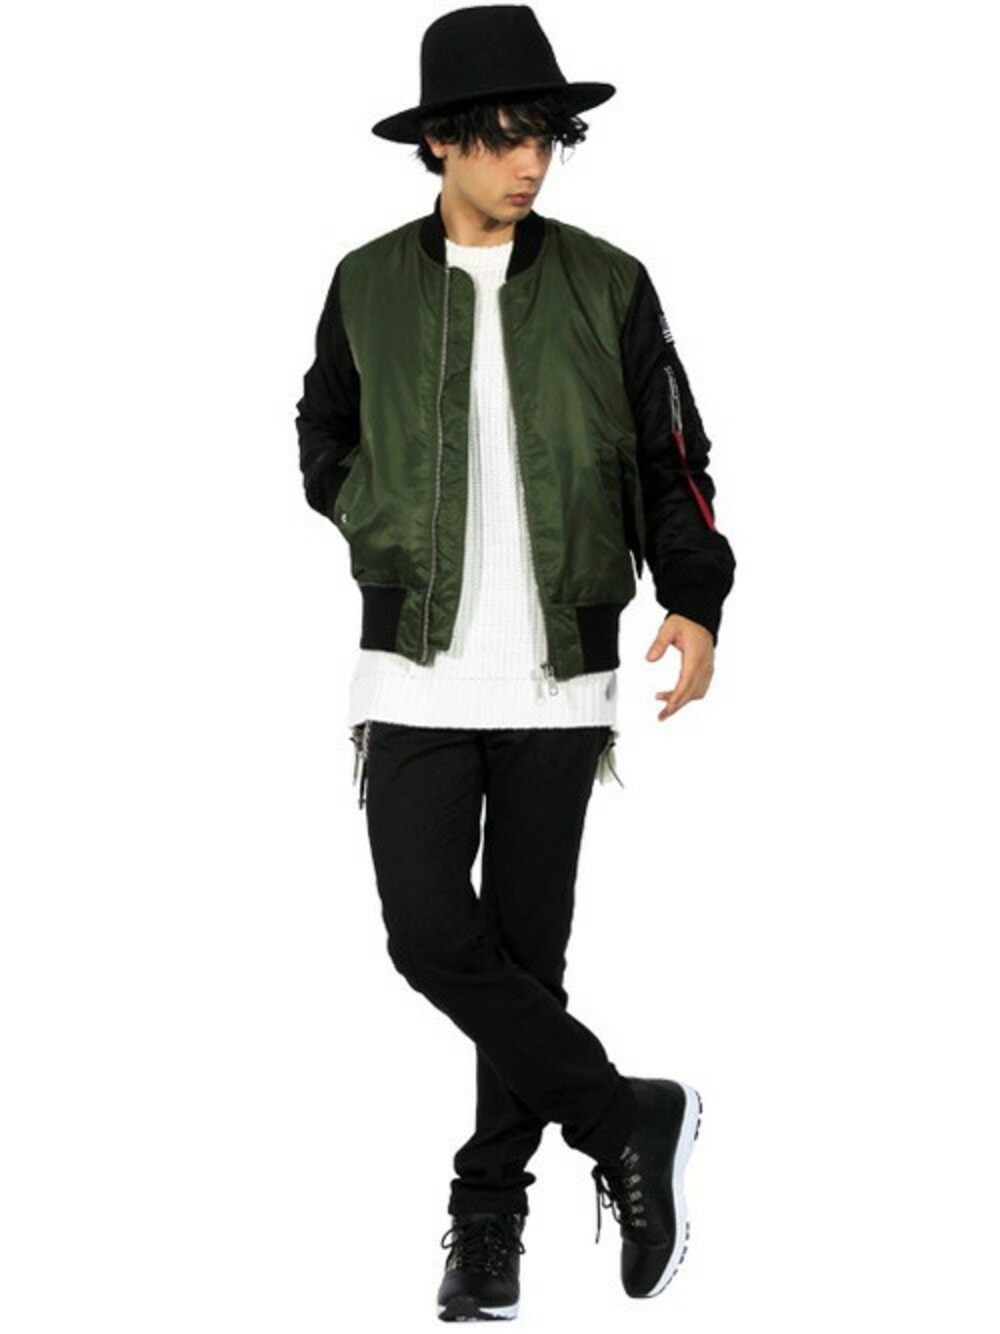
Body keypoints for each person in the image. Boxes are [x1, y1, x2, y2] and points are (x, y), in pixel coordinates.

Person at [294, 4, 736, 1321]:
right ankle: (625, 1117)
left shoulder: (609, 282)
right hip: (412, 669)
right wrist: (368, 515)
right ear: (439, 143)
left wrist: (695, 598)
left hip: (560, 671)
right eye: (499, 136)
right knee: (431, 935)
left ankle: (488, 1219)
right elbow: (321, 432)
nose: (528, 160)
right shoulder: (366, 281)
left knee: (526, 964)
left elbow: (674, 457)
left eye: (544, 134)